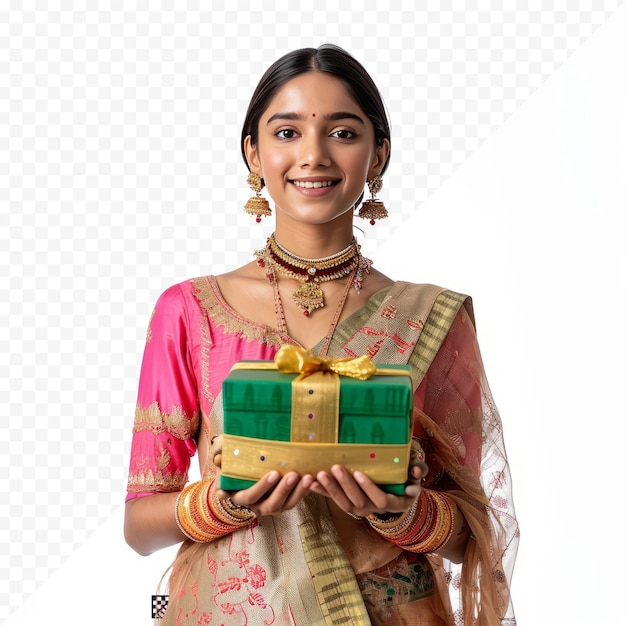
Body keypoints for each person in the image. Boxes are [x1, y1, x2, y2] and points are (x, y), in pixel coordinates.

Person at [124, 44, 518, 626]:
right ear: (252, 152)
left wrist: (401, 513)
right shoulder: (190, 311)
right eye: (286, 132)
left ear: (377, 155)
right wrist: (221, 502)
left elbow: (474, 533)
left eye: (342, 132)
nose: (312, 155)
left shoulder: (430, 315)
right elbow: (138, 526)